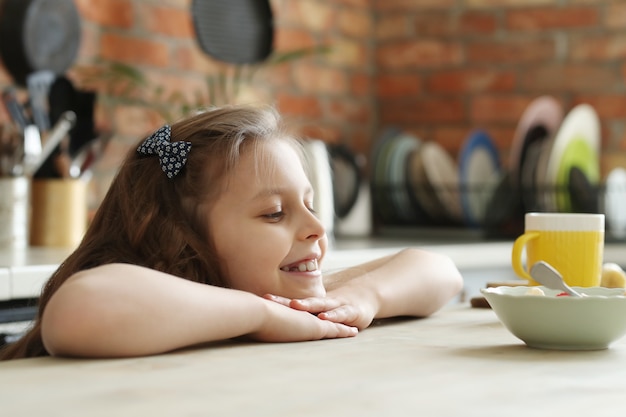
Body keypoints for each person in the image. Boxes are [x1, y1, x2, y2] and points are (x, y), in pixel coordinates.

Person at [0, 104, 463, 360]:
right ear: (180, 236)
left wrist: (366, 297)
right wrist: (261, 316)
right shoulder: (257, 302)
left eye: (311, 204)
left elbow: (440, 271)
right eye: (275, 213)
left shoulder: (297, 298)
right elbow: (77, 310)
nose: (318, 227)